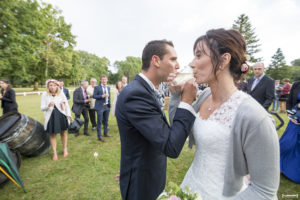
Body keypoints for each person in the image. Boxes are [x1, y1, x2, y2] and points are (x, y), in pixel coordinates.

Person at [169, 29, 279, 199]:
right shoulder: (205, 95)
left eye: (199, 55)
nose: (192, 63)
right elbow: (181, 132)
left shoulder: (255, 117)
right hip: (192, 186)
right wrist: (178, 97)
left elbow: (264, 191)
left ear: (224, 60)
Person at [116, 40, 197, 200]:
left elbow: (160, 131)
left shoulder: (144, 90)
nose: (178, 65)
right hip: (142, 185)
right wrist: (186, 101)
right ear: (156, 60)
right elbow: (171, 145)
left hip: (148, 175)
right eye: (173, 59)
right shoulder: (136, 94)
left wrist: (175, 96)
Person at [40, 79, 72, 161]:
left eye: (54, 85)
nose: (52, 87)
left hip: (61, 115)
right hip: (51, 117)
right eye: (50, 85)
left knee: (63, 132)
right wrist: (48, 105)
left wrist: (68, 115)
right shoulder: (44, 95)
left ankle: (65, 149)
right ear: (48, 86)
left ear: (57, 86)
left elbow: (66, 105)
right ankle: (55, 153)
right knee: (52, 134)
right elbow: (42, 108)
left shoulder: (61, 93)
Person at [280, 80, 300, 184]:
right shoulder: (297, 84)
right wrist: (290, 113)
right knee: (286, 143)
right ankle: (282, 167)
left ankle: (295, 173)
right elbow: (291, 99)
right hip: (294, 120)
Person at [93, 75, 112, 142]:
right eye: (103, 79)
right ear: (100, 80)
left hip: (107, 106)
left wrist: (109, 103)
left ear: (107, 80)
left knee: (106, 121)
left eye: (105, 79)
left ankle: (105, 133)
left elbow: (109, 97)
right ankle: (99, 136)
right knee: (99, 122)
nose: (104, 81)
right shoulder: (97, 87)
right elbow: (94, 96)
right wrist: (102, 96)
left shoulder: (108, 88)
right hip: (100, 107)